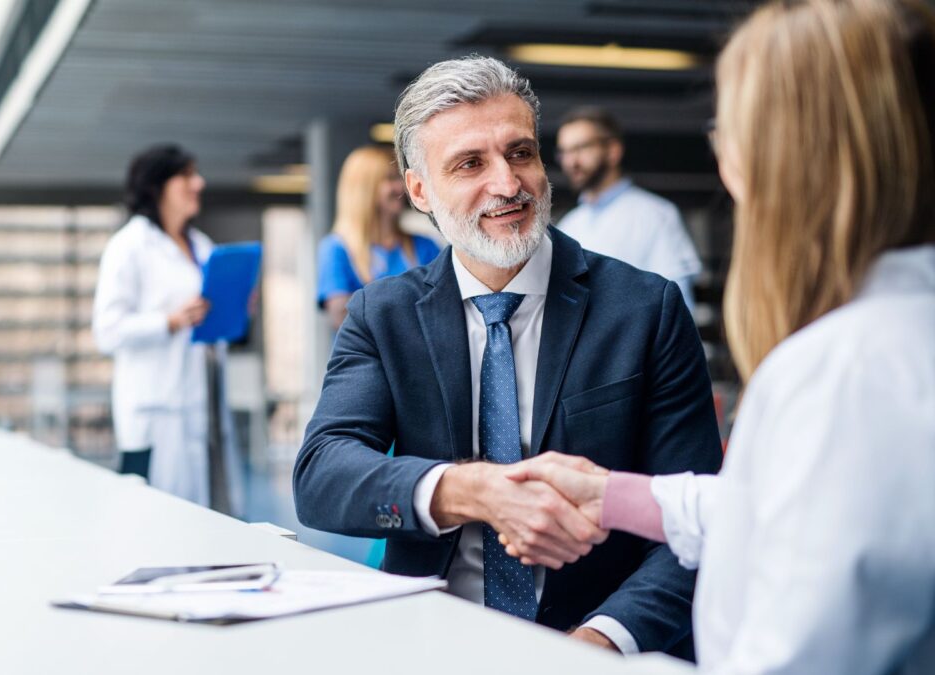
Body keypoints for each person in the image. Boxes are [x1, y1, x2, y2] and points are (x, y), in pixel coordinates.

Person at [503, 1, 935, 672]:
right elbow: (800, 512)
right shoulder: (888, 340)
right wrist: (618, 494)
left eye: (727, 129)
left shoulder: (842, 372)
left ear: (784, 156)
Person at [293, 56, 723, 656]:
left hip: (597, 640)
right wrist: (471, 491)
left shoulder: (645, 310)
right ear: (419, 190)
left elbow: (695, 521)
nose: (507, 183)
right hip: (430, 641)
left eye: (520, 153)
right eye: (470, 163)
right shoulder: (382, 315)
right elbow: (322, 476)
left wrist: (599, 643)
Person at [92, 144, 241, 512]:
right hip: (158, 411)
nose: (199, 183)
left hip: (203, 405)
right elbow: (107, 331)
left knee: (212, 515)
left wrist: (234, 306)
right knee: (158, 518)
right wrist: (170, 321)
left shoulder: (201, 245)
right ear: (158, 185)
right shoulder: (129, 246)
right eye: (187, 175)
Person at [554, 106, 703, 311]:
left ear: (613, 151)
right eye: (565, 152)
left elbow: (678, 305)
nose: (572, 161)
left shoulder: (657, 215)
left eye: (581, 148)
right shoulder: (569, 225)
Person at [317, 145, 442, 329]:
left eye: (400, 177)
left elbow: (444, 307)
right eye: (390, 178)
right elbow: (343, 318)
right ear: (365, 189)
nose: (401, 186)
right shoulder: (336, 249)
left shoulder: (425, 246)